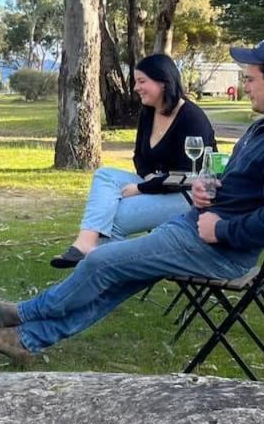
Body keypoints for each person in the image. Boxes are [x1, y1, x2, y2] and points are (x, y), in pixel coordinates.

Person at [0, 32, 264, 363]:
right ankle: (27, 341)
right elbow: (244, 185)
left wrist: (223, 230)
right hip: (196, 231)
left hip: (218, 250)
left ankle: (23, 314)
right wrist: (211, 189)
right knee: (120, 276)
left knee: (100, 262)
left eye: (250, 78)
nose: (245, 86)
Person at [51, 53, 216, 269]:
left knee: (116, 218)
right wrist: (147, 178)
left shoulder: (192, 118)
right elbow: (139, 156)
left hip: (187, 196)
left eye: (141, 81)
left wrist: (142, 187)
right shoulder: (148, 112)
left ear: (163, 82)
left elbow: (189, 175)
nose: (136, 88)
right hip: (157, 184)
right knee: (104, 175)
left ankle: (102, 279)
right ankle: (86, 243)